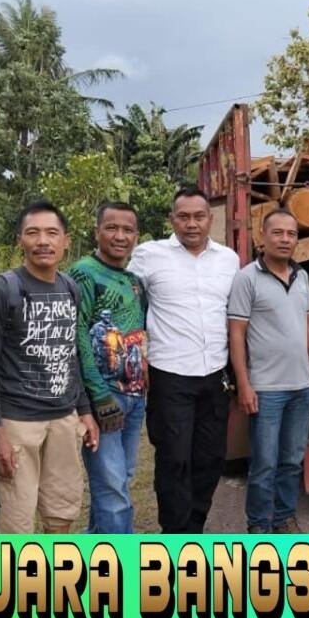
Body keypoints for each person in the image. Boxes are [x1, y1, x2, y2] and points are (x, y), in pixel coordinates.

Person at [0, 201, 100, 534]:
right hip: (17, 422)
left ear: (66, 240)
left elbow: (70, 352)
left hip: (63, 420)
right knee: (15, 523)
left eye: (52, 233)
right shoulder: (1, 290)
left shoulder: (69, 287)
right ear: (20, 239)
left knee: (60, 512)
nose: (43, 241)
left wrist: (84, 410)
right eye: (33, 233)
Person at [129, 186, 239, 533]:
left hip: (215, 374)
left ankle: (194, 529)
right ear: (172, 220)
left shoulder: (229, 259)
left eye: (199, 216)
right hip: (169, 375)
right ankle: (174, 536)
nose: (192, 224)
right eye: (184, 216)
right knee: (174, 458)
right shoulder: (149, 256)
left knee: (210, 458)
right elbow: (125, 297)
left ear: (210, 218)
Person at [227, 209, 309, 533]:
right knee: (264, 463)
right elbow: (237, 333)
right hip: (267, 389)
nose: (285, 239)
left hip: (301, 387)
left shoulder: (301, 278)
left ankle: (283, 517)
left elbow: (308, 327)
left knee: (291, 460)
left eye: (292, 234)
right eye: (278, 233)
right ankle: (258, 523)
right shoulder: (247, 278)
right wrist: (244, 384)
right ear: (263, 237)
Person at [69, 201, 149, 534]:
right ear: (97, 232)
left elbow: (141, 333)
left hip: (135, 398)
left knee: (118, 482)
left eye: (127, 230)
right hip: (105, 400)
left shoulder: (133, 280)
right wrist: (98, 397)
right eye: (111, 228)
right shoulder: (84, 273)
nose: (120, 236)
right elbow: (78, 337)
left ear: (136, 236)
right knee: (113, 488)